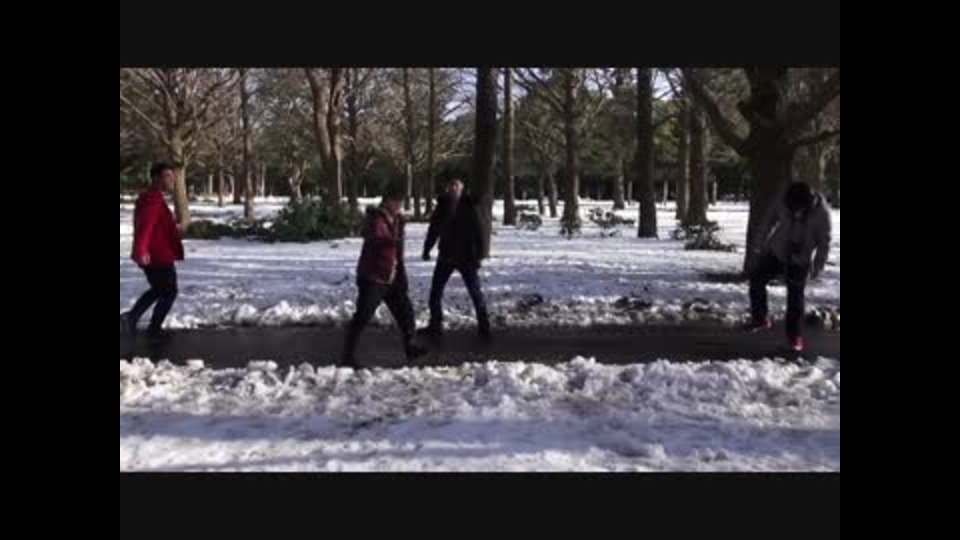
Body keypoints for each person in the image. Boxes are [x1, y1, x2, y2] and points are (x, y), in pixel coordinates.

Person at [342, 185, 426, 367]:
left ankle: (410, 345)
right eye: (397, 201)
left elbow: (398, 253)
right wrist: (392, 240)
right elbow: (374, 236)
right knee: (363, 315)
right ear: (387, 201)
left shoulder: (397, 220)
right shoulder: (376, 217)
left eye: (401, 202)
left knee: (405, 312)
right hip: (373, 276)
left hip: (392, 276)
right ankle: (348, 354)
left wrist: (401, 275)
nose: (399, 205)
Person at [748, 181, 832, 352]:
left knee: (795, 297)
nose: (795, 211)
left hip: (800, 258)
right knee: (756, 280)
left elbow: (824, 242)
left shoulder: (822, 213)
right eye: (791, 208)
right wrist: (759, 244)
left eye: (798, 208)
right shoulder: (783, 200)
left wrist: (818, 265)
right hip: (777, 251)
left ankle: (795, 337)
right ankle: (760, 318)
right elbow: (769, 221)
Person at [121, 162, 184, 341]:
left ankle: (133, 318)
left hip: (157, 252)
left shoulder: (153, 197)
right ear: (156, 178)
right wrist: (141, 250)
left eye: (172, 176)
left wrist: (173, 227)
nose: (172, 180)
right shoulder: (152, 198)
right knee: (169, 291)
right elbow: (145, 226)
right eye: (167, 176)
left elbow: (154, 225)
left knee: (160, 289)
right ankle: (151, 328)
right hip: (156, 255)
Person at [421, 179, 491, 340]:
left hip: (466, 257)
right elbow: (433, 229)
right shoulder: (442, 206)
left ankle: (484, 327)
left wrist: (480, 254)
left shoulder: (469, 206)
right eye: (451, 186)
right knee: (435, 292)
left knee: (475, 292)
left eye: (456, 186)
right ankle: (435, 325)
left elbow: (478, 231)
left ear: (462, 189)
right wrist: (427, 249)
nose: (453, 189)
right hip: (446, 255)